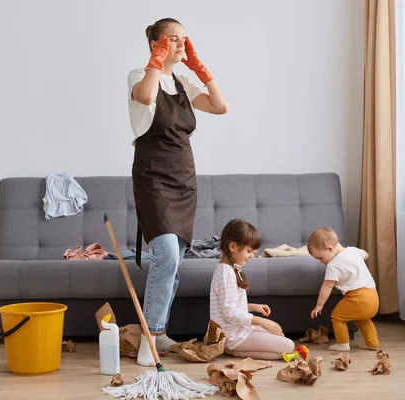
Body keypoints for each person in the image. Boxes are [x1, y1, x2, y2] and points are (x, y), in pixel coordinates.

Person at [127, 17, 228, 367]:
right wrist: (157, 59)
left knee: (177, 260)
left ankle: (160, 332)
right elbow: (145, 96)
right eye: (174, 39)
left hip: (184, 180)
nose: (183, 44)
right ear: (157, 44)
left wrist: (200, 67)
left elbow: (220, 105)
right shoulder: (140, 77)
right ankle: (149, 338)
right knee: (167, 254)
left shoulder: (182, 81)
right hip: (153, 178)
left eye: (186, 39)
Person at [209, 219, 295, 360]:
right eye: (249, 251)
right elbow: (229, 313)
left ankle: (232, 348)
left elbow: (229, 306)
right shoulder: (226, 273)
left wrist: (254, 307)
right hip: (233, 335)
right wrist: (261, 321)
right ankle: (232, 349)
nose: (252, 256)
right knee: (288, 346)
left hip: (238, 330)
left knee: (279, 335)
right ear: (233, 246)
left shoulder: (230, 269)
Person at [308, 227, 380, 351]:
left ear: (329, 248)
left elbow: (328, 286)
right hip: (373, 297)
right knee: (362, 319)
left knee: (337, 317)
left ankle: (343, 344)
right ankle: (372, 343)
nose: (321, 262)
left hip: (358, 297)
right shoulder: (353, 251)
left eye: (320, 258)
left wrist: (319, 305)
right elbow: (366, 255)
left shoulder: (333, 265)